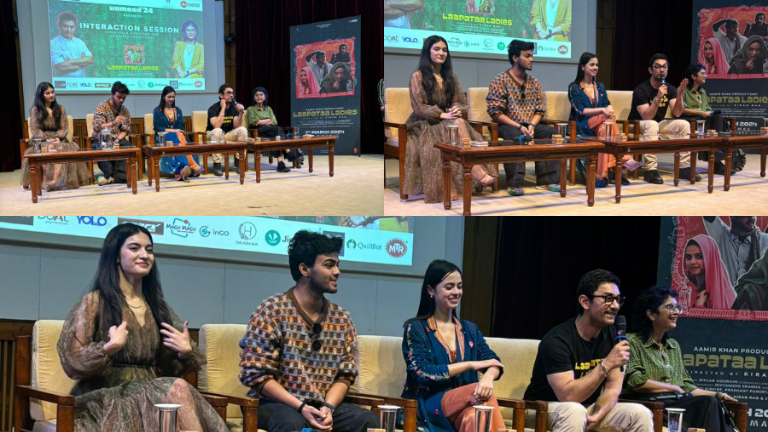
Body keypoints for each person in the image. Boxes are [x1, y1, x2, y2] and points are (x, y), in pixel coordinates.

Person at [56, 223, 228, 432]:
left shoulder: (157, 307)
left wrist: (185, 352)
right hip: (109, 397)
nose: (145, 255)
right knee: (175, 391)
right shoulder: (94, 301)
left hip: (154, 394)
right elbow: (73, 361)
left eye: (149, 249)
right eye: (134, 248)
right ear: (116, 256)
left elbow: (170, 366)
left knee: (177, 390)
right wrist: (108, 348)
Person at [238, 230, 379, 432]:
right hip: (274, 404)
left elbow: (345, 375)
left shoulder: (342, 318)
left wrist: (328, 407)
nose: (337, 272)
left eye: (337, 265)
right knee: (291, 423)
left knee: (368, 421)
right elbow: (257, 376)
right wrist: (301, 407)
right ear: (305, 269)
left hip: (322, 404)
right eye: (329, 265)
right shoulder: (272, 311)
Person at [523, 269, 653, 432]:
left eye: (618, 300)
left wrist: (598, 414)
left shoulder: (615, 336)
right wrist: (606, 364)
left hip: (587, 408)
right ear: (585, 302)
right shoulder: (557, 340)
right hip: (541, 408)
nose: (615, 306)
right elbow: (568, 396)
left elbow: (613, 388)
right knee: (574, 410)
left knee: (639, 413)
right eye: (608, 299)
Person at [401, 260, 506, 432]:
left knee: (474, 418)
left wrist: (487, 378)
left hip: (468, 404)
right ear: (430, 290)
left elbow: (494, 362)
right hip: (429, 404)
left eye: (459, 286)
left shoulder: (469, 329)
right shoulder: (417, 328)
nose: (456, 292)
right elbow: (423, 373)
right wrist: (471, 365)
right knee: (476, 392)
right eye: (449, 287)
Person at [625, 286, 738, 432]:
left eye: (677, 307)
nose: (676, 312)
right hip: (651, 405)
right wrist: (673, 388)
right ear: (652, 314)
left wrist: (720, 395)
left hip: (675, 403)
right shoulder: (632, 341)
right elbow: (636, 382)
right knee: (708, 404)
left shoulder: (673, 346)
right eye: (670, 307)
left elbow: (687, 387)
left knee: (712, 401)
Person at [403, 35, 497, 203]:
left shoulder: (451, 77)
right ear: (428, 52)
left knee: (458, 123)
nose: (441, 53)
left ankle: (456, 180)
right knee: (450, 131)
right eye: (437, 49)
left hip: (447, 120)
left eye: (444, 50)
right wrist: (441, 114)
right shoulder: (417, 76)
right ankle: (473, 171)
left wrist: (456, 109)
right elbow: (419, 106)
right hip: (423, 122)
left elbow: (460, 101)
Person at [487, 39, 561, 196]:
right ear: (515, 58)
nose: (531, 59)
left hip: (529, 124)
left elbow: (540, 110)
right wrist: (519, 126)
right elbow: (495, 112)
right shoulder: (501, 79)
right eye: (527, 55)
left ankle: (547, 180)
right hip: (507, 125)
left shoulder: (534, 82)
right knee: (516, 135)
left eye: (532, 55)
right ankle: (514, 183)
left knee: (552, 132)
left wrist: (532, 126)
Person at [568, 53, 641, 187]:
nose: (595, 67)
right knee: (607, 118)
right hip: (583, 124)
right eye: (592, 64)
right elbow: (580, 110)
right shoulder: (574, 87)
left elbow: (607, 102)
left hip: (600, 125)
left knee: (604, 130)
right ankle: (624, 159)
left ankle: (602, 175)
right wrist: (604, 110)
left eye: (597, 64)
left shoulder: (600, 86)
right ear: (583, 67)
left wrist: (610, 108)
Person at [627, 53, 698, 185]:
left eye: (665, 67)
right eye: (658, 67)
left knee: (683, 124)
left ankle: (683, 168)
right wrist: (658, 98)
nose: (662, 70)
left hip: (658, 122)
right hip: (637, 124)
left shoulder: (669, 88)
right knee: (652, 124)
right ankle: (650, 170)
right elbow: (646, 116)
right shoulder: (641, 89)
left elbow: (677, 113)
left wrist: (680, 94)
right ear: (650, 70)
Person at [20, 82, 89, 191]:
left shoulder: (60, 109)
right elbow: (35, 129)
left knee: (63, 147)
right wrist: (46, 139)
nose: (51, 95)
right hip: (41, 139)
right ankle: (44, 179)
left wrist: (58, 138)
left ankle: (54, 180)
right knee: (48, 148)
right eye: (47, 93)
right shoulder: (35, 110)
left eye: (52, 92)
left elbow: (63, 128)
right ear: (41, 95)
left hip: (58, 138)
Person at [681, 63, 744, 175]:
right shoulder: (683, 91)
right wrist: (700, 112)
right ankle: (723, 154)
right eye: (703, 73)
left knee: (719, 117)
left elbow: (707, 109)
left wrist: (710, 112)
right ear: (693, 76)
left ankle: (718, 155)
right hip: (691, 121)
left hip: (706, 120)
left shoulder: (702, 92)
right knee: (718, 121)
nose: (705, 76)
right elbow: (681, 110)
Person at [246, 86, 303, 173]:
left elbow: (274, 121)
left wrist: (262, 121)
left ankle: (280, 163)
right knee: (277, 130)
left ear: (265, 97)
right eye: (256, 95)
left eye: (261, 94)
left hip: (270, 131)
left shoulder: (268, 109)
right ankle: (288, 153)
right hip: (258, 132)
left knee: (277, 135)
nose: (259, 97)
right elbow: (254, 122)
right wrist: (268, 120)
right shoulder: (251, 109)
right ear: (254, 97)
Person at [153, 86, 203, 182]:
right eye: (169, 97)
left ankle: (183, 171)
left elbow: (180, 127)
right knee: (177, 136)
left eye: (173, 97)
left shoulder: (178, 111)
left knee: (183, 141)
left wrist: (176, 132)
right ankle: (193, 166)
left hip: (178, 137)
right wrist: (173, 131)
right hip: (163, 137)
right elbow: (158, 128)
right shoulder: (157, 111)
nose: (171, 99)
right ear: (164, 97)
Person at [703, 216, 768, 287]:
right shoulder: (722, 236)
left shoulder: (765, 240)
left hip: (754, 297)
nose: (751, 218)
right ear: (734, 217)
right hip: (728, 297)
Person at [92, 81, 132, 186]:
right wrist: (113, 123)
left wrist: (118, 140)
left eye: (124, 98)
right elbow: (98, 126)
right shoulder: (102, 106)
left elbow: (126, 130)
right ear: (112, 94)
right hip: (102, 138)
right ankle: (110, 175)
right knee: (101, 148)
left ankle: (115, 177)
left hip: (117, 138)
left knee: (127, 146)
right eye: (119, 97)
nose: (121, 100)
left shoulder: (125, 110)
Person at [681, 234, 736, 309]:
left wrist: (699, 307)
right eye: (688, 257)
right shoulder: (684, 290)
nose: (692, 262)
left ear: (710, 258)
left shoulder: (726, 295)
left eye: (699, 256)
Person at [206, 83, 248, 176]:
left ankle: (239, 162)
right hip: (212, 135)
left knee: (242, 130)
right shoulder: (213, 108)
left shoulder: (234, 107)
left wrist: (241, 113)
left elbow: (237, 126)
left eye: (232, 93)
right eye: (228, 93)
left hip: (227, 134)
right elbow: (217, 125)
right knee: (218, 131)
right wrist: (223, 108)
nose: (232, 95)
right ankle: (217, 164)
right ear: (221, 95)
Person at [50, 12, 94, 77]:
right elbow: (61, 67)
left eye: (72, 27)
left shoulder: (79, 42)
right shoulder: (53, 43)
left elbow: (90, 59)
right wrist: (82, 63)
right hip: (62, 85)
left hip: (82, 84)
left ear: (75, 27)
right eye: (65, 26)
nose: (69, 30)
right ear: (59, 25)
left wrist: (71, 61)